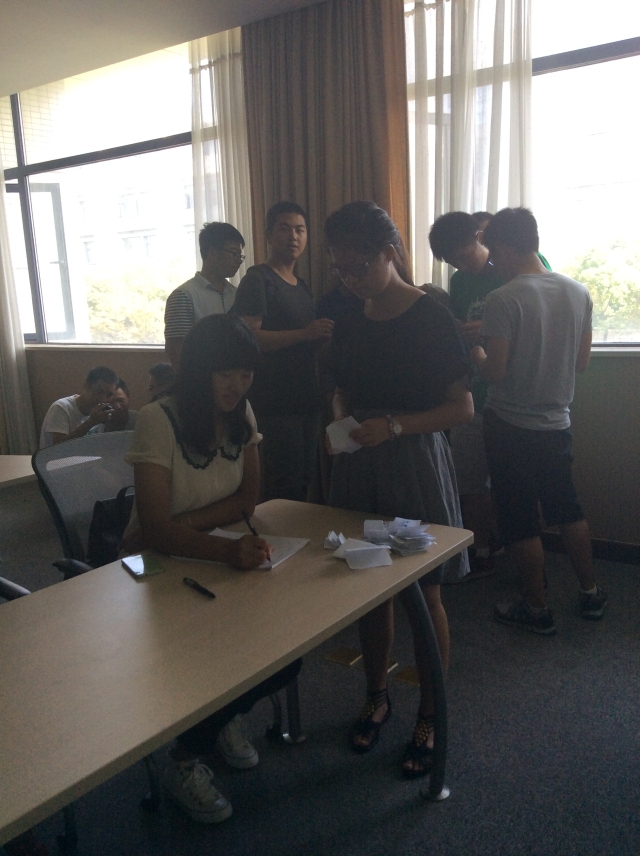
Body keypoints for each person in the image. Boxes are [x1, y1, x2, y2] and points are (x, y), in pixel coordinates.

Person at [122, 313, 301, 824]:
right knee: (205, 655)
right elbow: (151, 533)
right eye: (225, 373)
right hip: (149, 567)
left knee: (284, 659)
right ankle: (185, 758)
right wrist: (216, 546)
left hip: (209, 551)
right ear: (199, 369)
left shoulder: (242, 414)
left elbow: (248, 499)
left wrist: (185, 527)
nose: (236, 385)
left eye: (245, 373)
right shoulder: (159, 418)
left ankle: (219, 720)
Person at [325, 201, 473, 777]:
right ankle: (377, 695)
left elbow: (461, 408)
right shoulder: (350, 318)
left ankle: (432, 710)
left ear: (390, 253)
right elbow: (340, 387)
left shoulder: (431, 316)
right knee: (370, 588)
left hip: (412, 461)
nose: (349, 279)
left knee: (424, 594)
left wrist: (393, 426)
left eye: (357, 266)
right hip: (361, 462)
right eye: (339, 269)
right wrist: (341, 418)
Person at [473, 207, 607, 634]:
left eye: (494, 254)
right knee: (568, 508)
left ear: (505, 248)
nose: (492, 263)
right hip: (556, 424)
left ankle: (536, 607)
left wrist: (475, 350)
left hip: (509, 426)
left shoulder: (503, 298)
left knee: (519, 520)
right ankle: (590, 592)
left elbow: (495, 372)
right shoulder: (577, 292)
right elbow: (581, 363)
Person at [429, 210, 551, 579]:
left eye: (466, 256)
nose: (464, 266)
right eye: (455, 262)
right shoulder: (459, 282)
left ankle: (528, 557)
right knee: (470, 481)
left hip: (517, 397)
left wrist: (488, 326)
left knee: (519, 485)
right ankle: (481, 549)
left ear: (481, 238)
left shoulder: (520, 266)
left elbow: (542, 318)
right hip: (476, 391)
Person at [233, 201, 334, 502]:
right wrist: (305, 334)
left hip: (306, 397)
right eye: (284, 228)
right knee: (281, 483)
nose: (293, 236)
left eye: (300, 230)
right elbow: (248, 338)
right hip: (274, 400)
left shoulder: (301, 285)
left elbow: (305, 342)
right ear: (268, 235)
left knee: (304, 479)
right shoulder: (257, 280)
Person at [164, 222, 246, 368]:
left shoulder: (237, 294)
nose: (238, 261)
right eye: (234, 253)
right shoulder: (184, 296)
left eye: (240, 256)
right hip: (199, 377)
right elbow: (176, 352)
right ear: (212, 252)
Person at [39, 366, 118, 448]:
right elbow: (58, 448)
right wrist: (91, 422)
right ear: (86, 387)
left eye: (109, 395)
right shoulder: (61, 408)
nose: (104, 399)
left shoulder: (102, 411)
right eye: (100, 392)